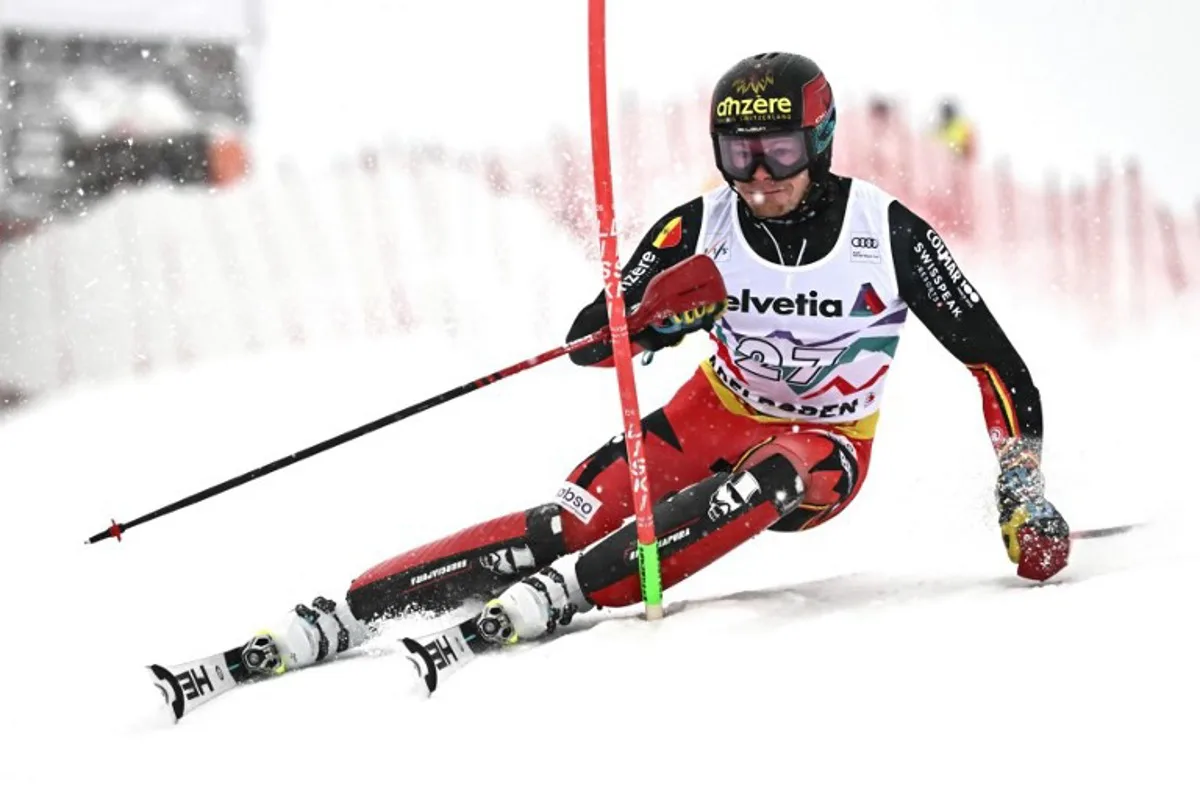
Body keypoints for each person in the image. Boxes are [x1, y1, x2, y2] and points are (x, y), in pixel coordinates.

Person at [179, 52, 1070, 684]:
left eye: (780, 153)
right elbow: (587, 339)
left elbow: (997, 365)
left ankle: (577, 591)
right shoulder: (700, 227)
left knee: (772, 476)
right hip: (709, 412)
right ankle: (354, 609)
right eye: (738, 155)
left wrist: (1020, 481)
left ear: (822, 143)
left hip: (824, 443)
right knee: (558, 522)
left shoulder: (890, 234)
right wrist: (644, 321)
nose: (758, 176)